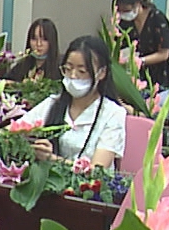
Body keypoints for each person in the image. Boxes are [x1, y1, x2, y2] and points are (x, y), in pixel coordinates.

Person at [21, 36, 127, 168]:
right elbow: (16, 128)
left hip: (88, 187)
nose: (73, 76)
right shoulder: (53, 103)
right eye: (68, 69)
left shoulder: (113, 114)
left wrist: (52, 159)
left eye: (82, 71)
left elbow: (98, 170)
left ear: (101, 73)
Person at [112, 0, 169, 86]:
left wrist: (140, 61)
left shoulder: (157, 19)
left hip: (160, 74)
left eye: (127, 10)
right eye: (120, 11)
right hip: (136, 76)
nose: (123, 14)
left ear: (137, 4)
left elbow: (164, 54)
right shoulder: (125, 23)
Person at [3, 18, 61, 83]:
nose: (39, 44)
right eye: (34, 39)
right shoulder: (21, 66)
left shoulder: (59, 68)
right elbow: (5, 81)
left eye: (44, 39)